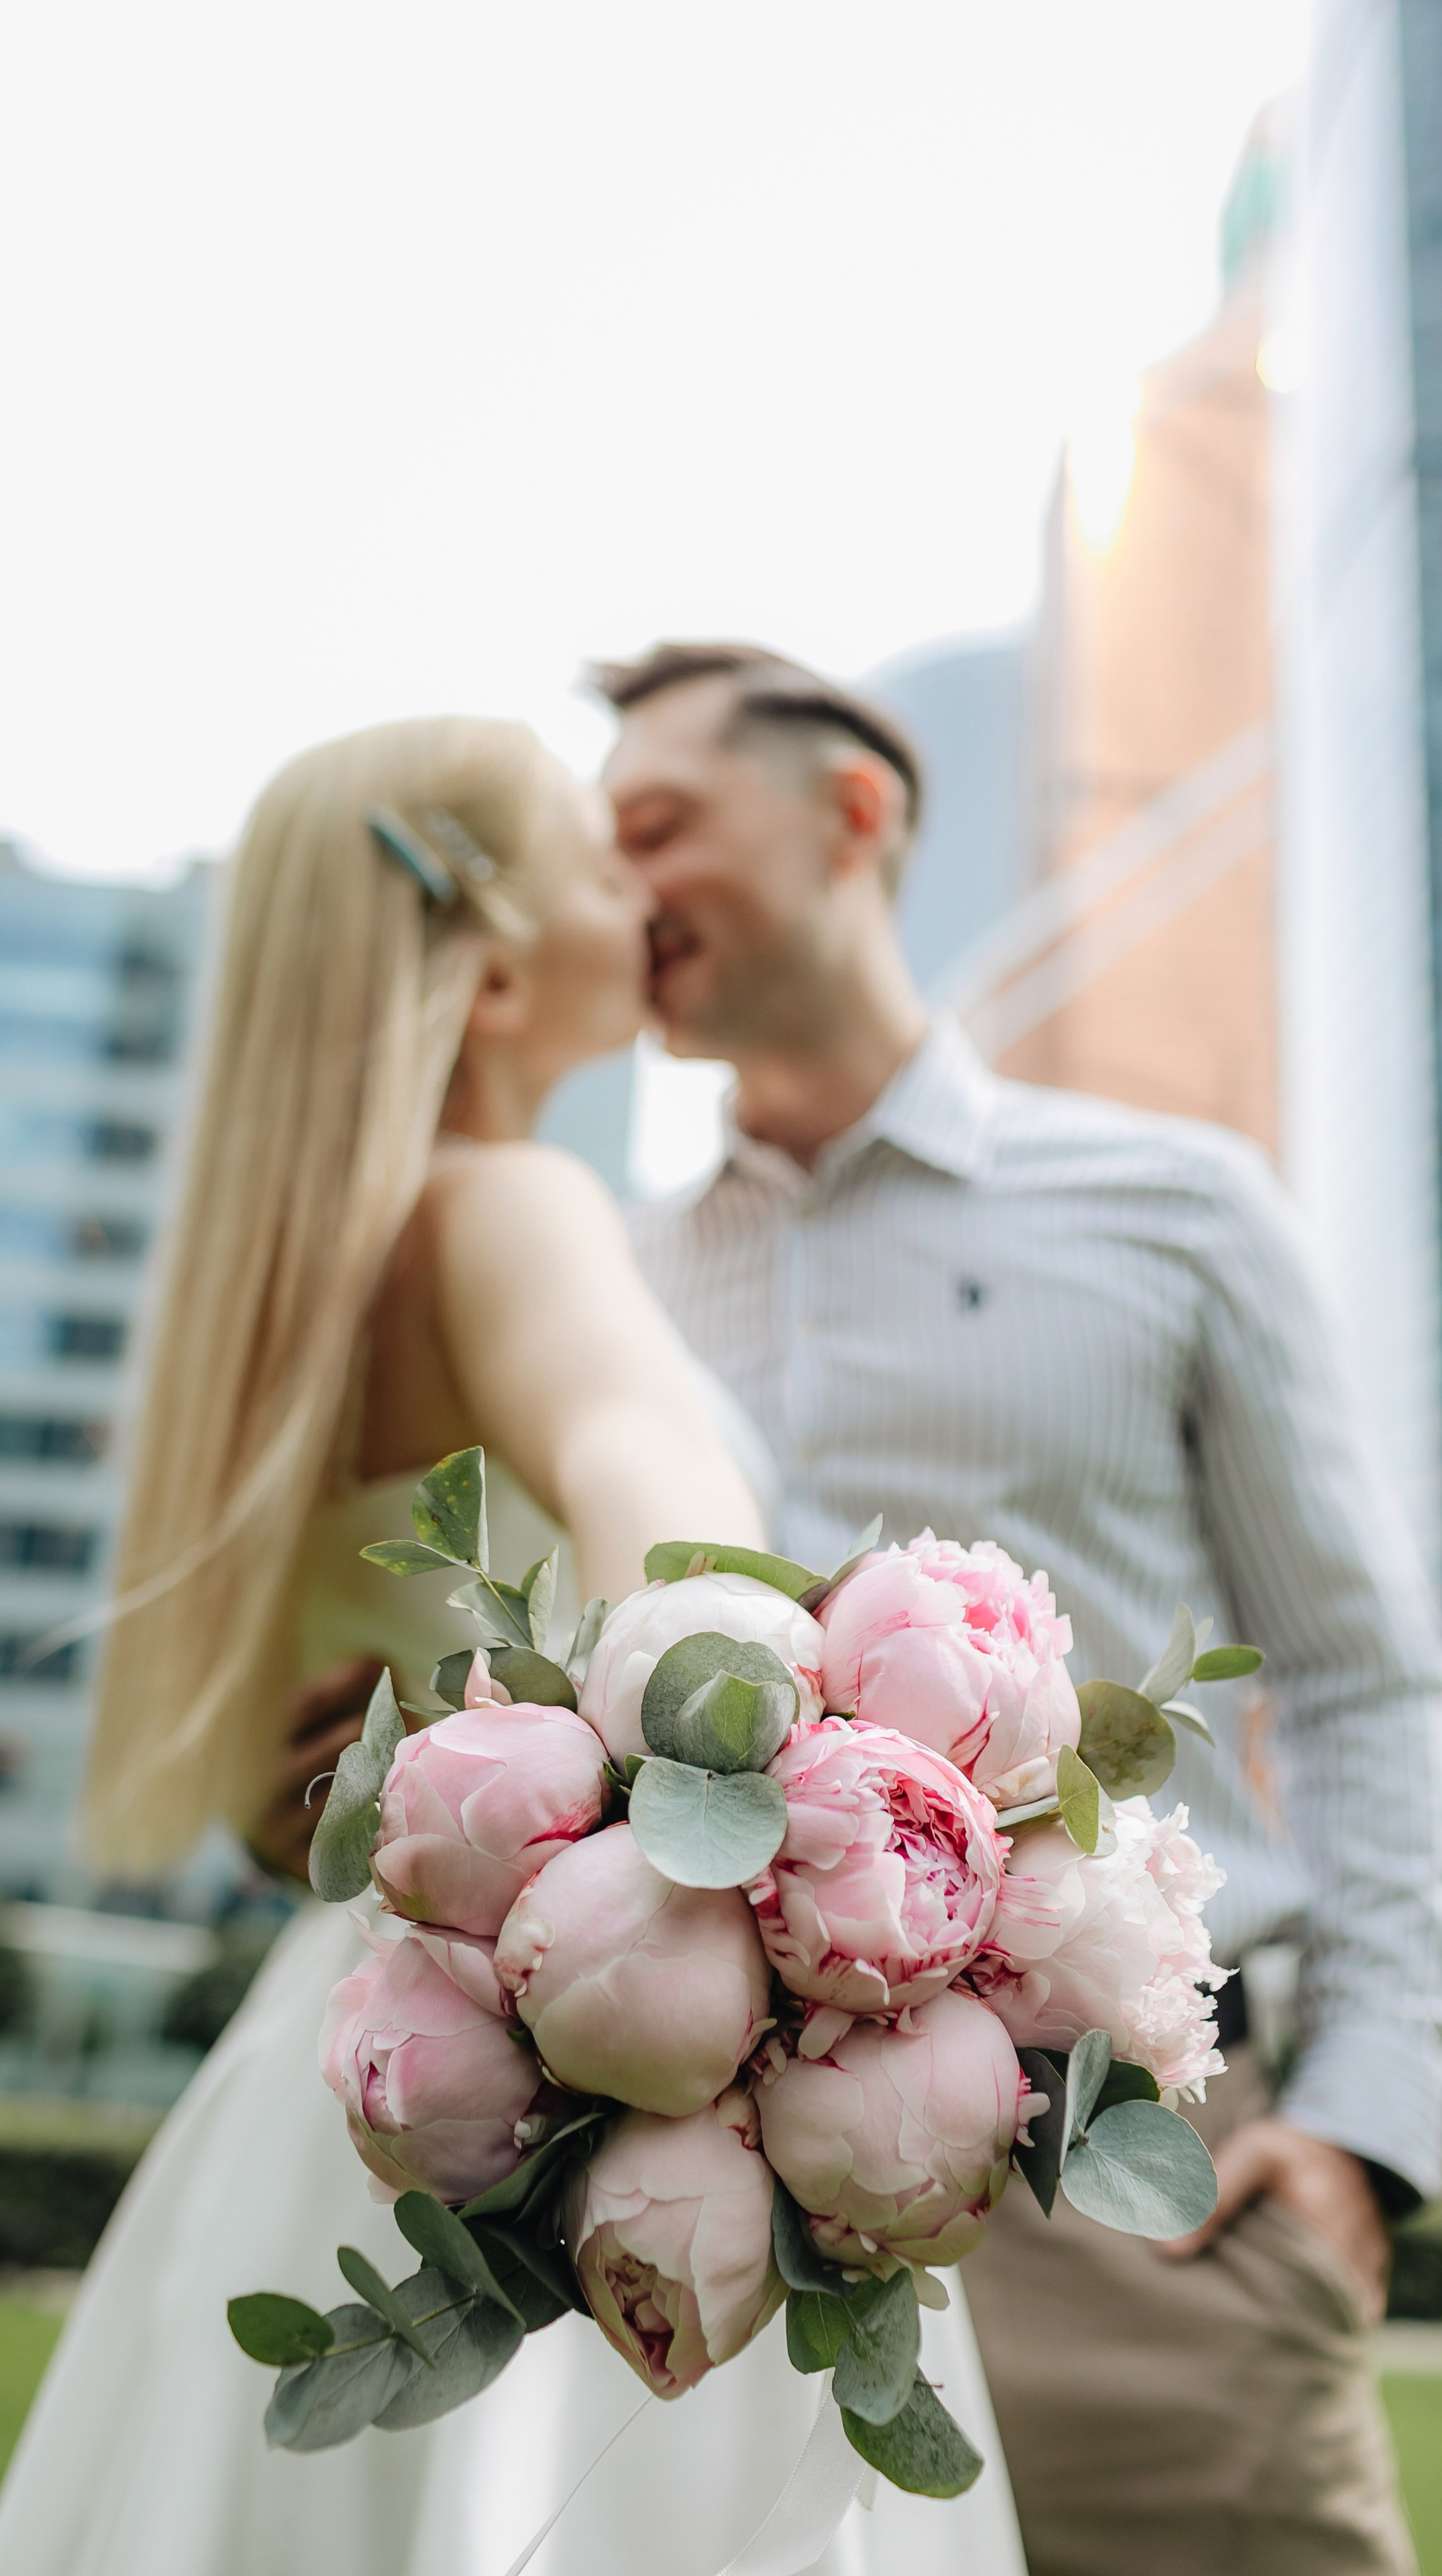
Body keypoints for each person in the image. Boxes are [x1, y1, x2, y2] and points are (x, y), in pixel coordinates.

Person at [0, 716, 1023, 2576]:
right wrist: (780, 1802)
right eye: (594, 852)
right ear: (482, 964)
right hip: (570, 2063)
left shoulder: (282, 1304)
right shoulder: (517, 1203)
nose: (637, 895)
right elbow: (660, 1496)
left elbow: (287, 1777)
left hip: (335, 2089)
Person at [596, 641, 1442, 2576]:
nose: (614, 888)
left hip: (1137, 2194)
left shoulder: (1181, 1209)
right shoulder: (597, 1283)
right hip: (684, 2216)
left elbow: (1363, 1677)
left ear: (856, 812)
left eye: (657, 826)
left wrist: (1370, 2123)